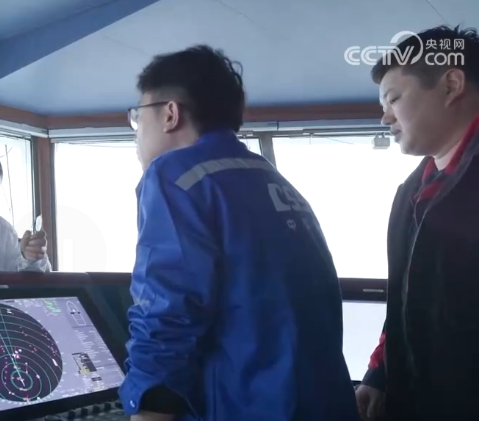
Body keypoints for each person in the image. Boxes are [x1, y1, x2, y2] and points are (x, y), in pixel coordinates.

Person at [119, 45, 359, 421]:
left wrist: (149, 408)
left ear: (169, 114)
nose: (136, 131)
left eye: (138, 115)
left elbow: (166, 313)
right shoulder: (270, 177)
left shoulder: (174, 175)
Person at [355, 25, 479, 421]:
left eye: (393, 99)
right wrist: (379, 373)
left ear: (451, 85)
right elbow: (406, 300)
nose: (385, 117)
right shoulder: (412, 192)